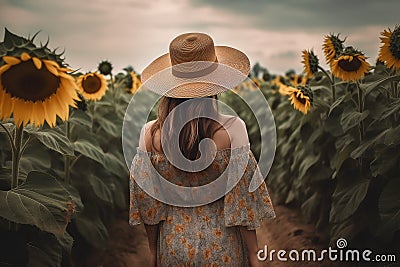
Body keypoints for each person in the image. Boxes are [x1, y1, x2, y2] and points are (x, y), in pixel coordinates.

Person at [129, 32, 276, 266]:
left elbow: (150, 206)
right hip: (224, 247)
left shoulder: (150, 134)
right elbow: (242, 204)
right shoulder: (232, 129)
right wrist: (253, 254)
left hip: (173, 245)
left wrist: (154, 252)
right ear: (216, 84)